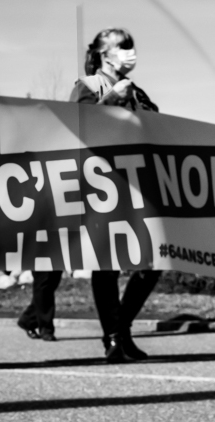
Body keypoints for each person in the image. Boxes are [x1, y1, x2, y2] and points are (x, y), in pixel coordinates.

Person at [67, 28, 162, 363]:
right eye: (122, 46)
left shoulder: (138, 91)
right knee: (106, 263)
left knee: (152, 261)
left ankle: (122, 328)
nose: (129, 52)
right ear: (104, 54)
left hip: (139, 184)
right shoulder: (88, 86)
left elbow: (160, 129)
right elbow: (76, 127)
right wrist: (111, 99)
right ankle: (113, 336)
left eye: (131, 46)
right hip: (103, 184)